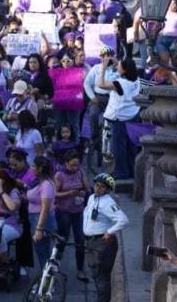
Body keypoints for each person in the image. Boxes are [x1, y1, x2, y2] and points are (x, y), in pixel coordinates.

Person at [83, 173, 129, 302]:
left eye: (102, 187)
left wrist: (109, 232)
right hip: (91, 241)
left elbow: (123, 220)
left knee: (102, 277)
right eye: (97, 185)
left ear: (107, 189)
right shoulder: (92, 197)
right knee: (96, 275)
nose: (98, 188)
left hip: (102, 243)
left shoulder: (108, 203)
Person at [98, 56, 141, 180]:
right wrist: (118, 62)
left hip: (119, 118)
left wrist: (103, 69)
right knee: (131, 146)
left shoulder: (120, 83)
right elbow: (126, 69)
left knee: (118, 148)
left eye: (119, 66)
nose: (116, 66)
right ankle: (131, 172)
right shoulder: (136, 79)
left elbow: (101, 84)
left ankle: (121, 173)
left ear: (124, 70)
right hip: (132, 115)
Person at [54, 150, 90, 281]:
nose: (75, 168)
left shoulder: (80, 172)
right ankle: (55, 266)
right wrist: (69, 193)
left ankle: (80, 270)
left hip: (78, 211)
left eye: (77, 165)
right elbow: (54, 194)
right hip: (64, 211)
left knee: (80, 241)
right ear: (66, 163)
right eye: (72, 165)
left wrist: (83, 191)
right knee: (62, 239)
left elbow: (87, 188)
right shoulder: (60, 175)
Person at [28, 155, 58, 269]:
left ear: (39, 169)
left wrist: (39, 229)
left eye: (33, 166)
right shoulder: (38, 181)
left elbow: (45, 208)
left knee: (43, 254)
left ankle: (47, 284)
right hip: (35, 219)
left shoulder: (46, 185)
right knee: (42, 253)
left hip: (42, 221)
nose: (31, 168)